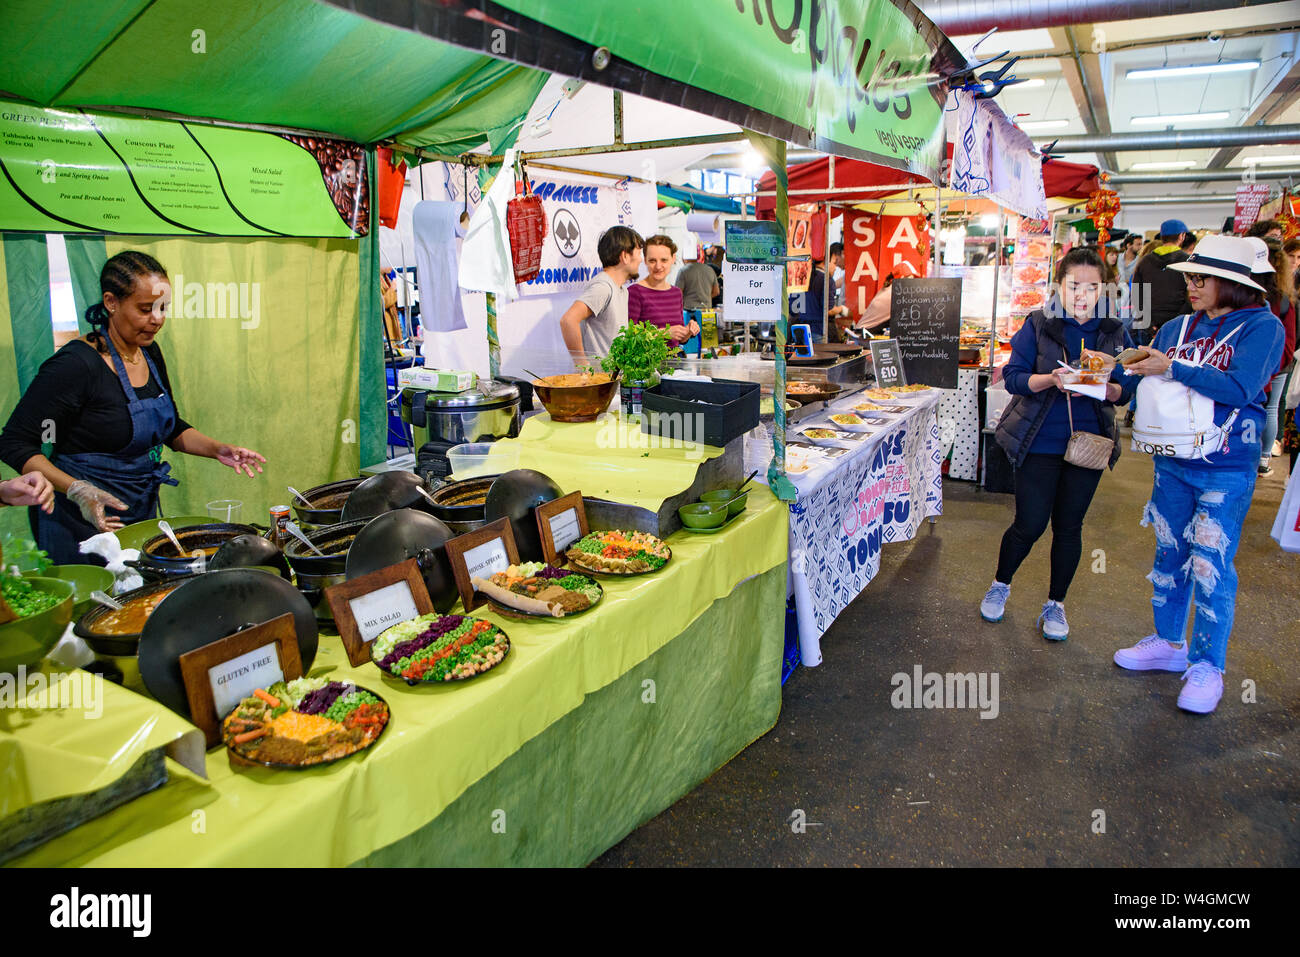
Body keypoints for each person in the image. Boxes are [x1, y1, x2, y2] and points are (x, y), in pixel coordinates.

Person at [0, 251, 265, 565]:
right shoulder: (75, 365)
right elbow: (15, 442)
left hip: (136, 511)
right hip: (78, 524)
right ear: (111, 302)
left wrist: (216, 448)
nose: (157, 319)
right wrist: (77, 490)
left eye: (162, 308)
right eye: (145, 309)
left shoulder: (149, 353)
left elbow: (171, 427)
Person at [1114, 235, 1285, 713]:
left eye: (1200, 277)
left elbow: (1240, 387)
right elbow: (1141, 378)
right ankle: (1169, 644)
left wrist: (1174, 367)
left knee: (1211, 563)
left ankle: (1209, 665)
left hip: (1227, 465)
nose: (1191, 284)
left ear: (1233, 285)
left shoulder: (1263, 328)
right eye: (1189, 276)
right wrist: (1103, 379)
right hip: (1172, 460)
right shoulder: (1177, 326)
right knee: (1169, 551)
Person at [980, 247, 1137, 640]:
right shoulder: (1039, 324)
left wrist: (1106, 389)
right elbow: (1013, 377)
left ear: (1104, 288)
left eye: (1092, 286)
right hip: (1040, 440)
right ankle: (1001, 583)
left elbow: (1128, 388)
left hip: (1089, 444)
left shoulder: (1114, 331)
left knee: (1069, 526)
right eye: (1074, 286)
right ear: (1059, 286)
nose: (1082, 295)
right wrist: (1051, 379)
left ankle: (1056, 604)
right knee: (1029, 524)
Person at [559, 226, 644, 360]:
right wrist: (581, 364)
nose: (641, 259)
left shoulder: (623, 290)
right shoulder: (603, 287)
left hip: (613, 377)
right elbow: (568, 320)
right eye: (639, 253)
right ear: (625, 256)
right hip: (598, 378)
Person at [1253, 238, 1297, 476]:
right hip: (1278, 365)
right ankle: (1263, 457)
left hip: (1264, 365)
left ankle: (1255, 455)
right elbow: (1290, 339)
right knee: (1270, 409)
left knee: (1257, 408)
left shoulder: (1251, 295)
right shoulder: (1284, 298)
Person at [1131, 218, 1193, 344]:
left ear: (1162, 237)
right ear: (1182, 236)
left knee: (1145, 362)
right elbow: (1192, 295)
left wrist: (1149, 324)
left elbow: (1136, 294)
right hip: (1178, 326)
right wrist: (1177, 322)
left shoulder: (1145, 261)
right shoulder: (1188, 262)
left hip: (1149, 327)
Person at [630, 235, 695, 345]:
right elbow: (630, 338)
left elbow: (679, 340)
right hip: (649, 361)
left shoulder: (676, 293)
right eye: (652, 261)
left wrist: (688, 331)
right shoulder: (635, 292)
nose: (658, 266)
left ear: (673, 259)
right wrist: (664, 333)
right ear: (645, 260)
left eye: (664, 260)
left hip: (675, 359)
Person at [789, 243, 849, 343]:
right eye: (834, 263)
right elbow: (828, 310)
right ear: (826, 262)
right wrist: (842, 309)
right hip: (818, 332)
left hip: (798, 332)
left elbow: (793, 309)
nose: (835, 268)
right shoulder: (826, 281)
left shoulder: (800, 278)